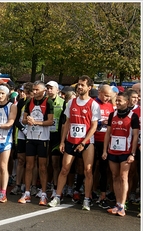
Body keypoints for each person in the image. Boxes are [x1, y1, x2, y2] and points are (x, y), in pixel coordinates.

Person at [48, 75, 101, 210]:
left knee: (88, 170)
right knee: (64, 169)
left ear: (89, 87)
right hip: (71, 140)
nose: (79, 87)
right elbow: (67, 123)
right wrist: (62, 141)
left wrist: (84, 142)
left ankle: (87, 199)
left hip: (87, 142)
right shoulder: (71, 102)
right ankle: (57, 197)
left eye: (82, 85)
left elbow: (94, 126)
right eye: (78, 84)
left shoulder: (93, 104)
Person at [103, 92, 139, 217]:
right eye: (116, 100)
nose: (117, 103)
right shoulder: (112, 115)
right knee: (114, 176)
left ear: (127, 102)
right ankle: (117, 204)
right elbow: (108, 133)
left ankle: (123, 205)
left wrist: (132, 154)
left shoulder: (133, 116)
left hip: (126, 152)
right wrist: (104, 150)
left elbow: (135, 136)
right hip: (113, 150)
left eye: (120, 101)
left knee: (124, 177)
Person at [18, 81, 54, 206]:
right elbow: (23, 119)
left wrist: (36, 122)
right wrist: (27, 120)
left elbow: (50, 121)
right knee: (29, 165)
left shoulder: (48, 102)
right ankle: (27, 193)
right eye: (33, 90)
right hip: (30, 137)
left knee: (43, 167)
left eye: (37, 90)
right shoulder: (29, 102)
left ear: (43, 91)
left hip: (43, 138)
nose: (34, 92)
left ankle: (43, 194)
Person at [92, 84, 114, 208]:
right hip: (93, 139)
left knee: (103, 168)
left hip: (105, 141)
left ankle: (103, 194)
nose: (107, 98)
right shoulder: (93, 103)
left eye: (109, 96)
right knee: (92, 167)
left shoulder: (110, 106)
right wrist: (101, 122)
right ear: (99, 92)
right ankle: (91, 191)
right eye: (105, 95)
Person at [46, 81, 64, 198]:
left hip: (56, 136)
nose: (49, 90)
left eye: (51, 88)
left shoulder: (63, 103)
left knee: (55, 163)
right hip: (44, 134)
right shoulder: (44, 101)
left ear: (57, 90)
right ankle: (45, 186)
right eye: (47, 88)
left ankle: (56, 187)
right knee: (45, 163)